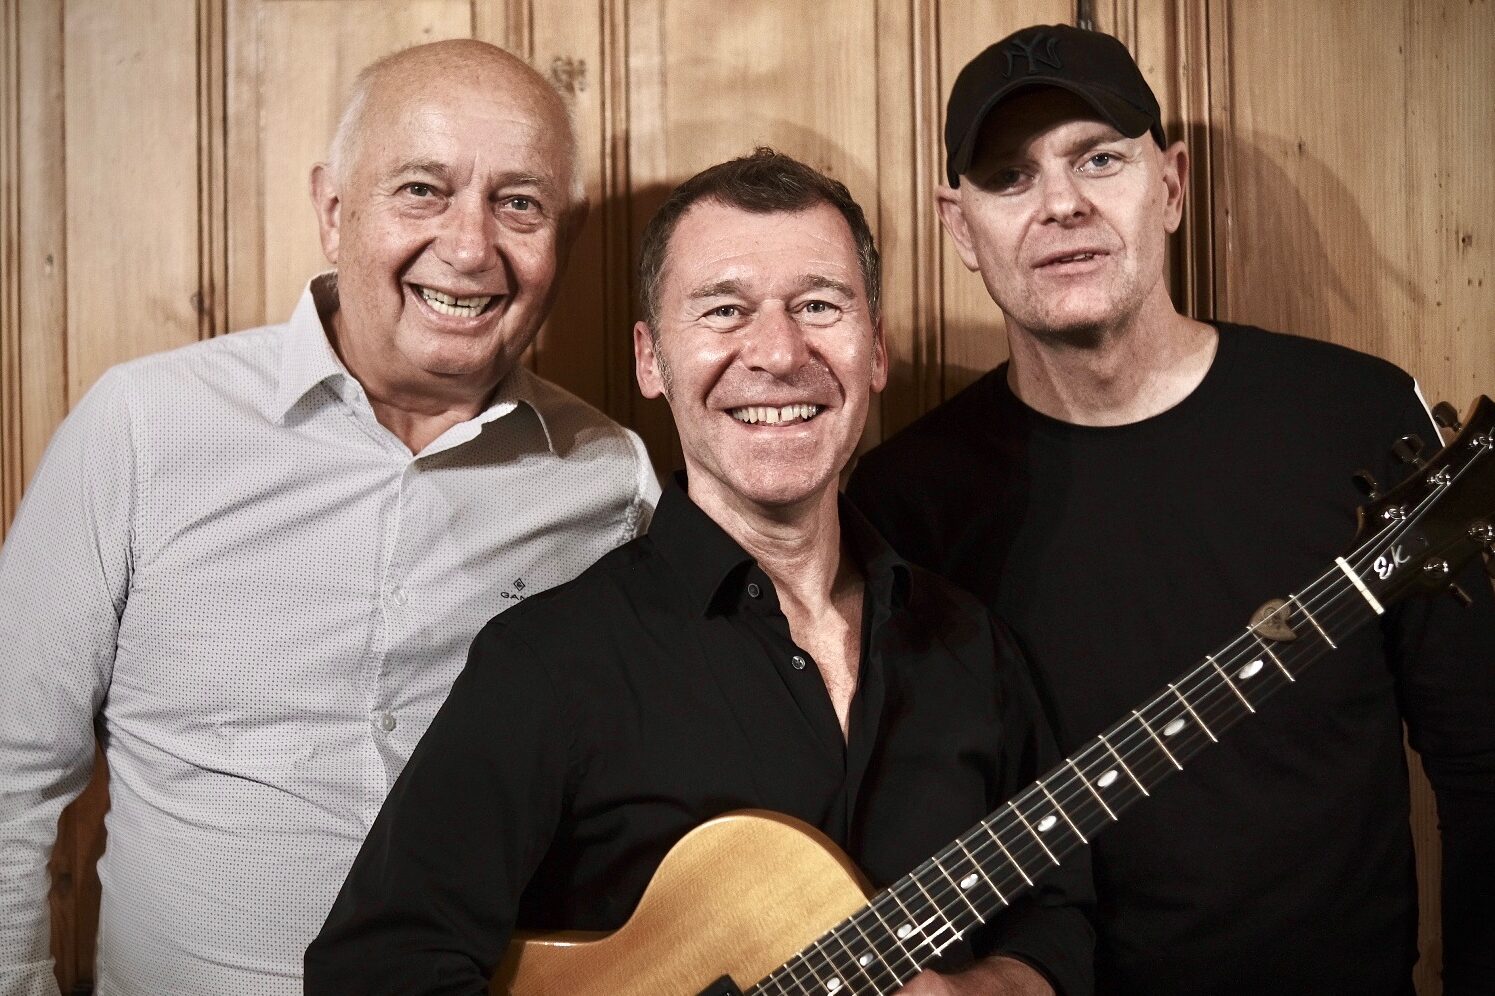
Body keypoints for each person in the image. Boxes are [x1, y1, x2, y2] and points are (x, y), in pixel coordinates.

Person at [304, 149, 1095, 996]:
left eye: (818, 306)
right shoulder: (549, 664)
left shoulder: (971, 648)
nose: (777, 353)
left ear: (874, 349)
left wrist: (986, 988)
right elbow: (373, 971)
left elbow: (1056, 913)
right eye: (723, 310)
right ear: (650, 360)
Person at [848, 23, 1495, 996]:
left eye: (1098, 159)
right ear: (960, 228)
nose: (1060, 203)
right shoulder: (902, 499)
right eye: (1010, 177)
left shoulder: (1355, 415)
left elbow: (1481, 755)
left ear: (1172, 184)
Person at [0, 40, 658, 996]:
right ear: (333, 210)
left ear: (565, 237)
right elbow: (7, 766)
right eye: (422, 190)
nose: (470, 247)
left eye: (520, 203)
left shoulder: (609, 481)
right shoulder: (143, 427)